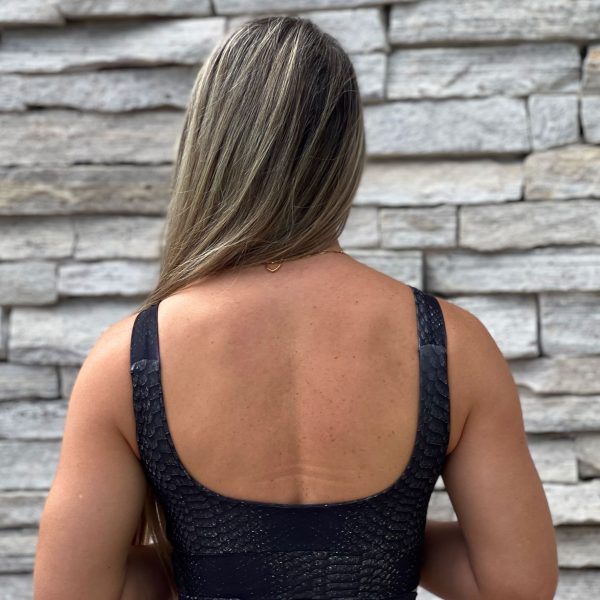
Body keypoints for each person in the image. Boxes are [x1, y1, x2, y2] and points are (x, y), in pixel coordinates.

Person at [33, 14, 558, 600]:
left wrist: (212, 559)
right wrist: (380, 545)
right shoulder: (451, 347)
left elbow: (74, 593)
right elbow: (514, 585)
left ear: (206, 146)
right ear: (347, 154)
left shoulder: (129, 361)